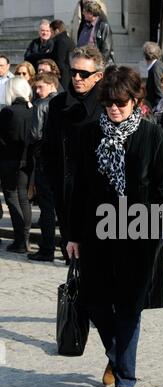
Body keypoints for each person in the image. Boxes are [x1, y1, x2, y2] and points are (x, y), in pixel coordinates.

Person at [67, 65, 163, 387]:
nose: (115, 109)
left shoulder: (150, 133)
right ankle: (116, 356)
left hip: (139, 235)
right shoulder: (88, 133)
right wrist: (72, 233)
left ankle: (125, 379)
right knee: (95, 303)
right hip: (97, 232)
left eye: (122, 103)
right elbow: (78, 187)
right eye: (109, 103)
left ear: (136, 101)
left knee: (129, 306)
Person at [42, 45, 104, 261]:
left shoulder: (107, 105)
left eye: (84, 74)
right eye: (73, 72)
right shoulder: (58, 104)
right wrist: (52, 182)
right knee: (74, 262)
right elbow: (48, 146)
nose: (77, 78)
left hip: (99, 198)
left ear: (98, 76)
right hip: (66, 194)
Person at [27, 72, 59, 262]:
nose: (37, 91)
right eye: (36, 87)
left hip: (44, 159)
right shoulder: (64, 101)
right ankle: (64, 249)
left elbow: (34, 134)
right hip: (61, 160)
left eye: (40, 87)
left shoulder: (42, 104)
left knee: (47, 208)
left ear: (51, 85)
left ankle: (47, 249)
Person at [0, 77, 33, 253]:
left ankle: (20, 240)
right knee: (23, 198)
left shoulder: (8, 112)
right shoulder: (31, 110)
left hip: (9, 160)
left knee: (13, 199)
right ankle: (24, 239)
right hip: (26, 159)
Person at [50, 20, 75, 90]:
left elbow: (59, 60)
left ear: (56, 30)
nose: (50, 34)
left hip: (64, 75)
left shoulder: (60, 41)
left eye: (51, 31)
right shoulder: (68, 39)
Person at [143, 41, 163, 109]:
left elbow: (160, 92)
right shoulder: (158, 65)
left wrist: (157, 110)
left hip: (157, 107)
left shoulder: (156, 69)